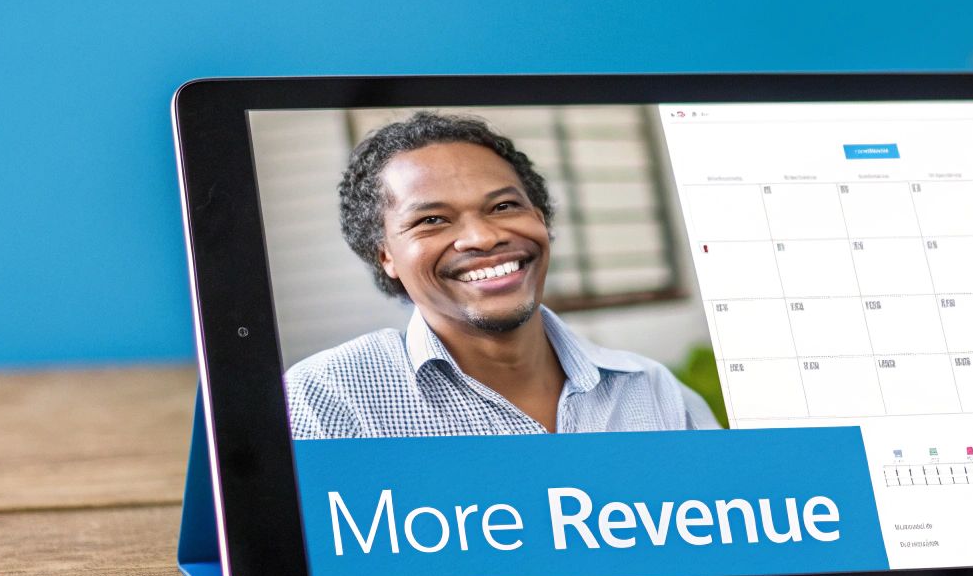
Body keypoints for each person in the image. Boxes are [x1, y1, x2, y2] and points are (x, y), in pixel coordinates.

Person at [284, 112, 718, 439]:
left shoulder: (655, 394)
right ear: (385, 256)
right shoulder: (325, 403)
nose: (483, 237)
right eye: (433, 220)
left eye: (504, 206)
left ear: (542, 219)